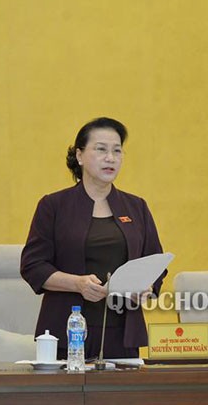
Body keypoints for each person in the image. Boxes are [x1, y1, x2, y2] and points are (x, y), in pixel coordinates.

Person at [21, 117, 167, 360]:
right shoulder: (54, 205)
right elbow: (33, 266)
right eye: (101, 149)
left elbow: (155, 265)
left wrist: (146, 288)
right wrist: (77, 283)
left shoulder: (136, 207)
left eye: (117, 151)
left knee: (121, 398)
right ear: (79, 155)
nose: (110, 158)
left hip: (123, 334)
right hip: (67, 331)